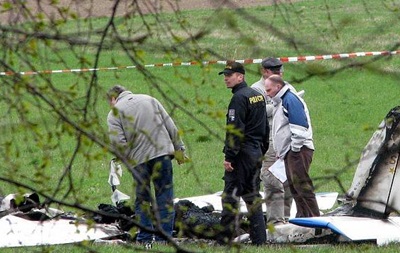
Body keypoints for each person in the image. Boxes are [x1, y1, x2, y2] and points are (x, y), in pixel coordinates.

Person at [106, 85, 187, 245]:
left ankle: (144, 238)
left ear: (113, 98)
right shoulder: (150, 99)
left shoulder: (114, 113)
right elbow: (170, 125)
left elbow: (118, 143)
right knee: (165, 197)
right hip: (163, 155)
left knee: (142, 200)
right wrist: (179, 150)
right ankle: (164, 239)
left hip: (139, 161)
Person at [217, 62, 269, 245]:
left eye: (229, 75)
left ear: (241, 76)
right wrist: (262, 149)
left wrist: (229, 157)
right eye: (225, 75)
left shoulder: (238, 98)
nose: (226, 78)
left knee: (230, 196)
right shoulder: (258, 96)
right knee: (252, 196)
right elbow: (265, 127)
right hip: (255, 153)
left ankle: (224, 239)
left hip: (241, 155)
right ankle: (259, 240)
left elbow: (235, 130)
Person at [264, 75, 319, 218]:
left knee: (302, 185)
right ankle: (304, 217)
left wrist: (294, 150)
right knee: (295, 187)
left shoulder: (290, 100)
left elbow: (300, 127)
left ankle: (314, 219)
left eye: (269, 90)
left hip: (298, 150)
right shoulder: (281, 101)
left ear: (278, 87)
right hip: (290, 151)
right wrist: (281, 151)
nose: (267, 93)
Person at [251, 57, 295, 226]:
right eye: (273, 70)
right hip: (269, 142)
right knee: (271, 180)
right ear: (264, 71)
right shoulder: (256, 89)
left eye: (279, 70)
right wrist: (278, 105)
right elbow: (256, 112)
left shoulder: (287, 86)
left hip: (287, 140)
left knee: (288, 181)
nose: (277, 73)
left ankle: (286, 218)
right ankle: (275, 222)